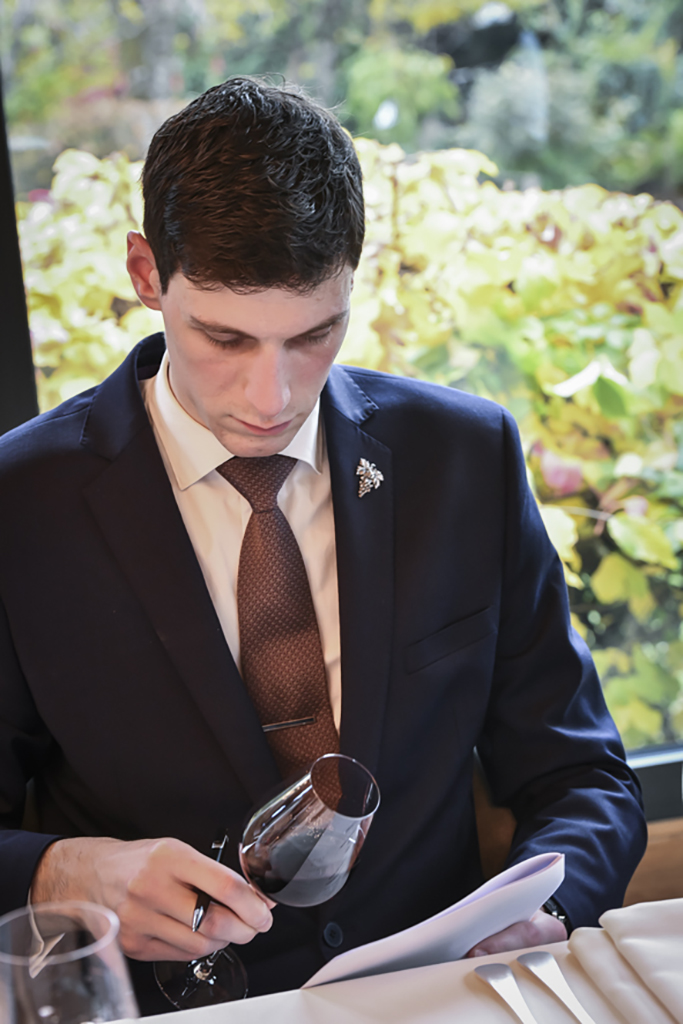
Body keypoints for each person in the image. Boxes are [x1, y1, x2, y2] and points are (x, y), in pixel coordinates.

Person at [0, 77, 646, 1014]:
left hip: (443, 999)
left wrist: (551, 909)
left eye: (315, 334)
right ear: (146, 274)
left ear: (352, 277)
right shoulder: (21, 504)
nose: (270, 397)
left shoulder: (465, 457)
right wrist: (58, 872)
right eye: (224, 338)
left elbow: (581, 775)